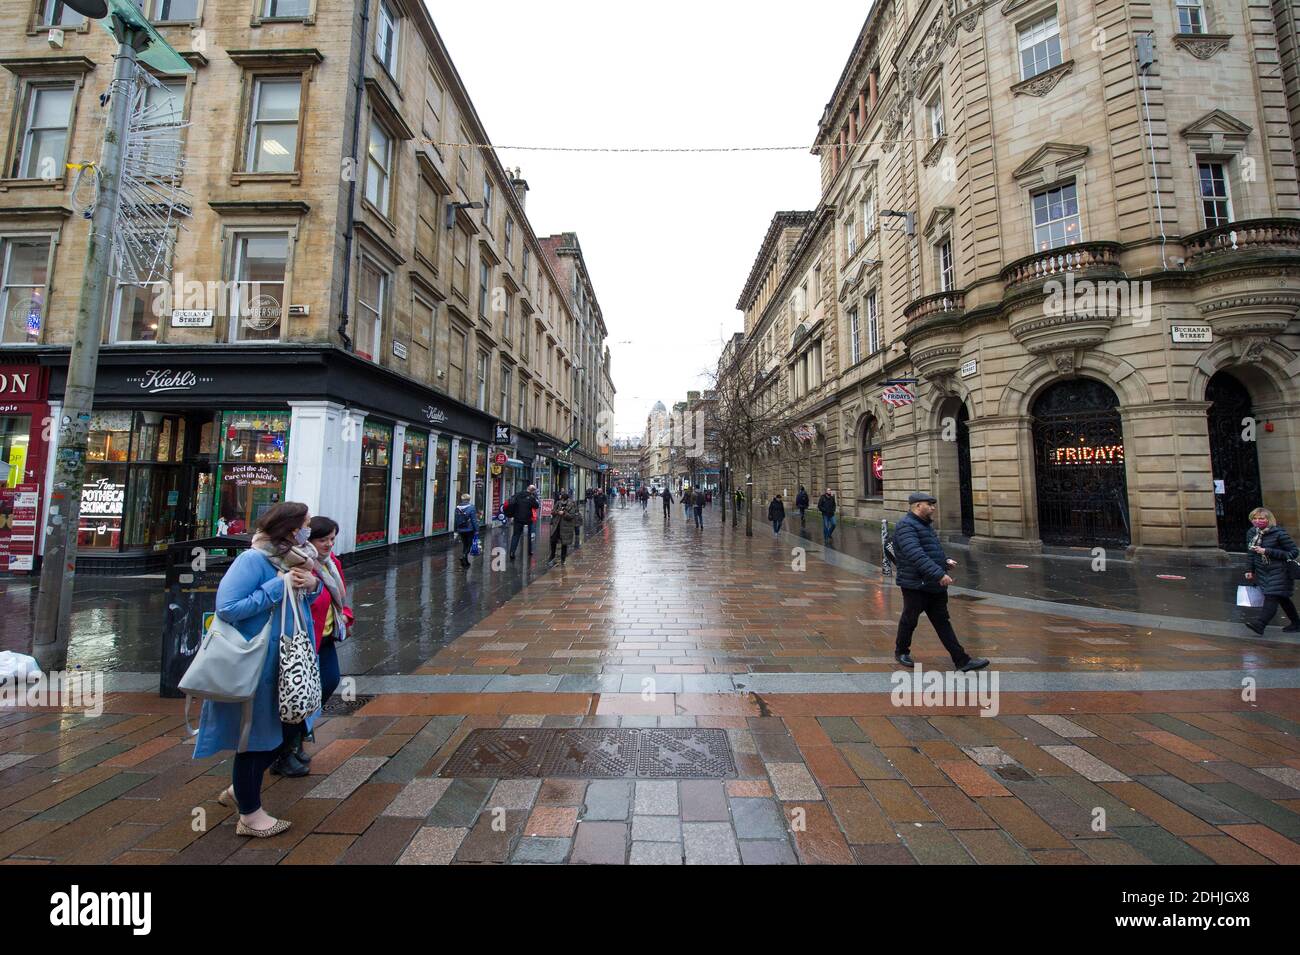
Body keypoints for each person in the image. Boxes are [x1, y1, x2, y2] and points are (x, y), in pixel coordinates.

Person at [198, 501, 322, 837]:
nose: (309, 529)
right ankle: (250, 816)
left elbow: (300, 600)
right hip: (259, 663)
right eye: (305, 523)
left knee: (286, 731)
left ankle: (242, 791)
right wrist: (277, 586)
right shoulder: (253, 560)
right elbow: (228, 608)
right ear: (290, 527)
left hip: (286, 661)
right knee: (258, 738)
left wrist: (311, 587)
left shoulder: (295, 558)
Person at [892, 492, 989, 672]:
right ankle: (901, 651)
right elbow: (915, 554)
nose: (933, 508)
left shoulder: (925, 525)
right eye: (929, 504)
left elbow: (931, 550)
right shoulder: (906, 526)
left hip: (933, 584)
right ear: (917, 506)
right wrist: (939, 574)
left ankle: (962, 661)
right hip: (916, 584)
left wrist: (944, 561)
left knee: (942, 621)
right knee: (910, 619)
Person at [303, 517, 352, 768]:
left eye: (332, 539)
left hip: (327, 636)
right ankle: (289, 746)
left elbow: (340, 597)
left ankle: (303, 727)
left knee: (330, 680)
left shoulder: (332, 564)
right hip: (304, 638)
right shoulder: (301, 564)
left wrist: (346, 616)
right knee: (299, 692)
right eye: (323, 539)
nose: (329, 544)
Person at [1244, 506, 1300, 634]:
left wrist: (1267, 551)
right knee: (1282, 597)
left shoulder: (1279, 533)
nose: (1258, 521)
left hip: (1280, 571)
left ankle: (1260, 624)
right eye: (1255, 518)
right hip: (1264, 571)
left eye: (1261, 518)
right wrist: (1249, 569)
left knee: (1272, 596)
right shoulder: (1252, 533)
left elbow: (1293, 552)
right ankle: (1297, 623)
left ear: (1269, 519)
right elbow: (1251, 553)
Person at [507, 484, 540, 560]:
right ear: (532, 491)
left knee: (515, 535)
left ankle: (512, 552)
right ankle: (529, 551)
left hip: (517, 518)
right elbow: (536, 506)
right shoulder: (531, 498)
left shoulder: (518, 494)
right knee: (529, 536)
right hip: (527, 519)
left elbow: (512, 502)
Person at [549, 490, 581, 566]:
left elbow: (571, 516)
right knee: (553, 541)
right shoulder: (558, 503)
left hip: (566, 527)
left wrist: (564, 513)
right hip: (557, 525)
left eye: (561, 496)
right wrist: (557, 512)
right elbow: (552, 512)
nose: (560, 497)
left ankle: (563, 559)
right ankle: (552, 556)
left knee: (564, 543)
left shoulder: (572, 504)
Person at [454, 493, 478, 567]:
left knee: (464, 544)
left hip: (460, 529)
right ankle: (464, 556)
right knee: (469, 544)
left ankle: (465, 562)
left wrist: (456, 529)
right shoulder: (471, 507)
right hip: (469, 529)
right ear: (469, 499)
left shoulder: (457, 507)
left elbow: (456, 519)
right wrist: (476, 529)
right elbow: (474, 520)